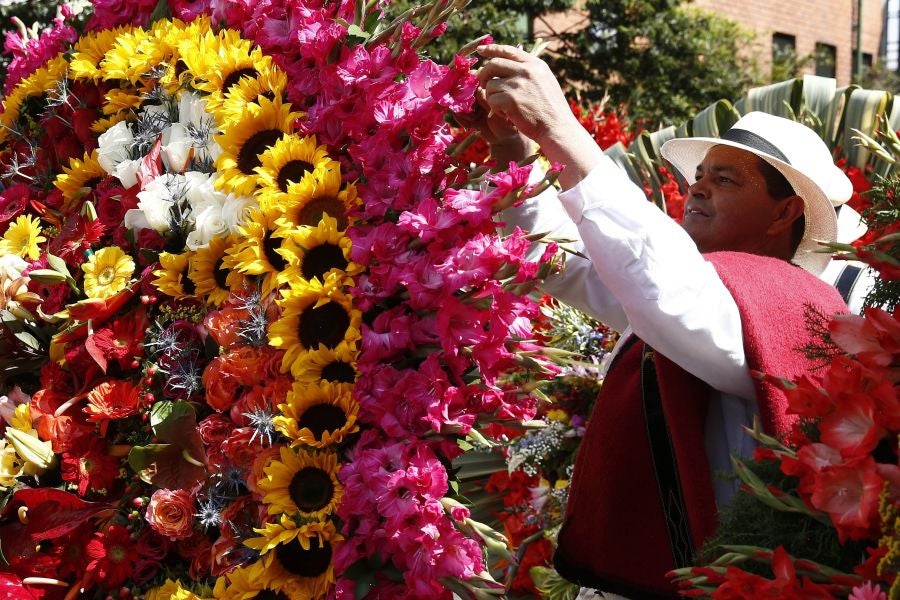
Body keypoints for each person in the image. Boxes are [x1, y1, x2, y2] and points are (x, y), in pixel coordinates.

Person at [471, 44, 851, 598]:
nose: (696, 186)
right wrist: (510, 149)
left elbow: (662, 287)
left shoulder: (794, 306)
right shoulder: (704, 286)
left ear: (783, 213)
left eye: (725, 179)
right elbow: (569, 255)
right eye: (700, 174)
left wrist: (563, 132)